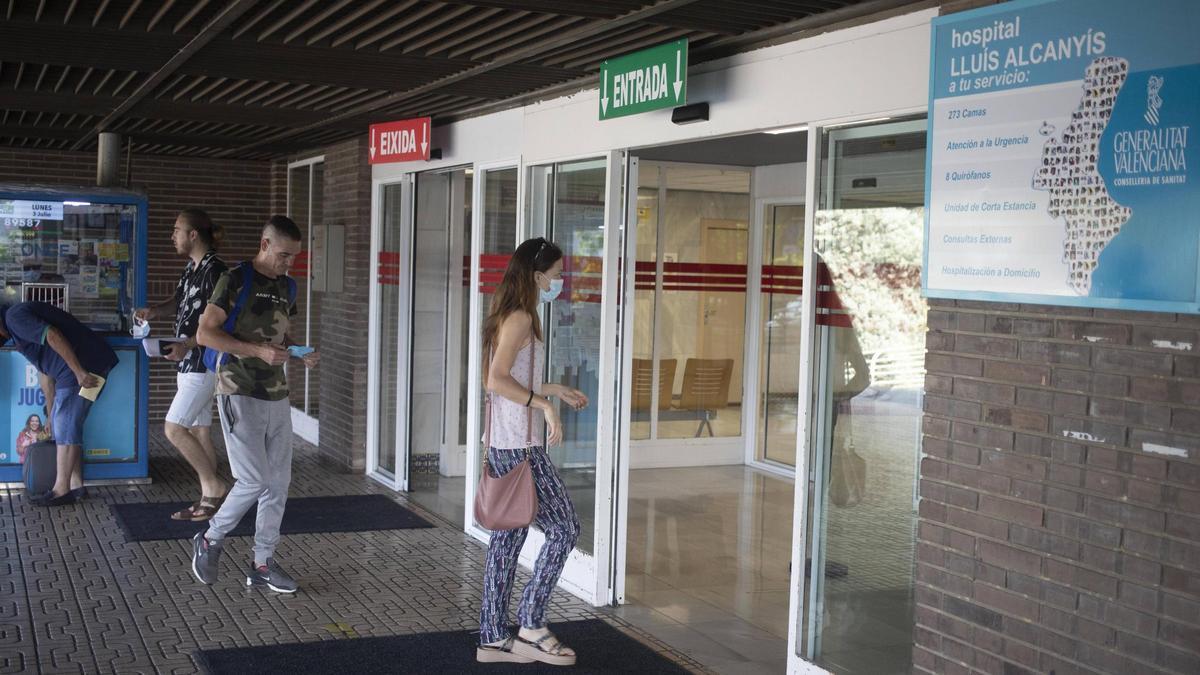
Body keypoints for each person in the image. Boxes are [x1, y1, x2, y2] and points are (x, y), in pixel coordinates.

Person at [189, 215, 318, 594]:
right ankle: (210, 539)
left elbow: (279, 331)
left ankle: (262, 563)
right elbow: (205, 334)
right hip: (237, 389)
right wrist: (257, 351)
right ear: (264, 245)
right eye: (283, 255)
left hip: (276, 394)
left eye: (293, 257)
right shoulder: (235, 280)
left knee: (278, 484)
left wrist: (298, 351)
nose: (288, 263)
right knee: (254, 479)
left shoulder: (287, 287)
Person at [476, 237, 589, 667]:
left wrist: (552, 390)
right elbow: (496, 380)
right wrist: (543, 406)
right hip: (519, 447)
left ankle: (491, 636)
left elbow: (511, 381)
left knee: (508, 539)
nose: (559, 283)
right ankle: (530, 623)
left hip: (506, 442)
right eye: (557, 276)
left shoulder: (511, 313)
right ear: (537, 275)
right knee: (564, 527)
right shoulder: (520, 317)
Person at [134, 208, 229, 521]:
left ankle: (214, 486)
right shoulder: (191, 268)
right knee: (200, 431)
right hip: (188, 362)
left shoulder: (217, 271)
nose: (172, 236)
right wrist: (155, 312)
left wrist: (186, 344)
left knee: (174, 429)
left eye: (176, 230)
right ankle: (210, 498)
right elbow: (179, 300)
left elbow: (217, 323)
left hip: (203, 363)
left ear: (193, 235)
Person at [0, 299, 118, 505]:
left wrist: (79, 372)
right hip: (82, 368)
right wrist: (50, 408)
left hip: (83, 368)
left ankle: (61, 490)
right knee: (65, 423)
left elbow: (53, 335)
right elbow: (45, 371)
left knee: (66, 425)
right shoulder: (15, 325)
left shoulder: (14, 317)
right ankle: (76, 485)